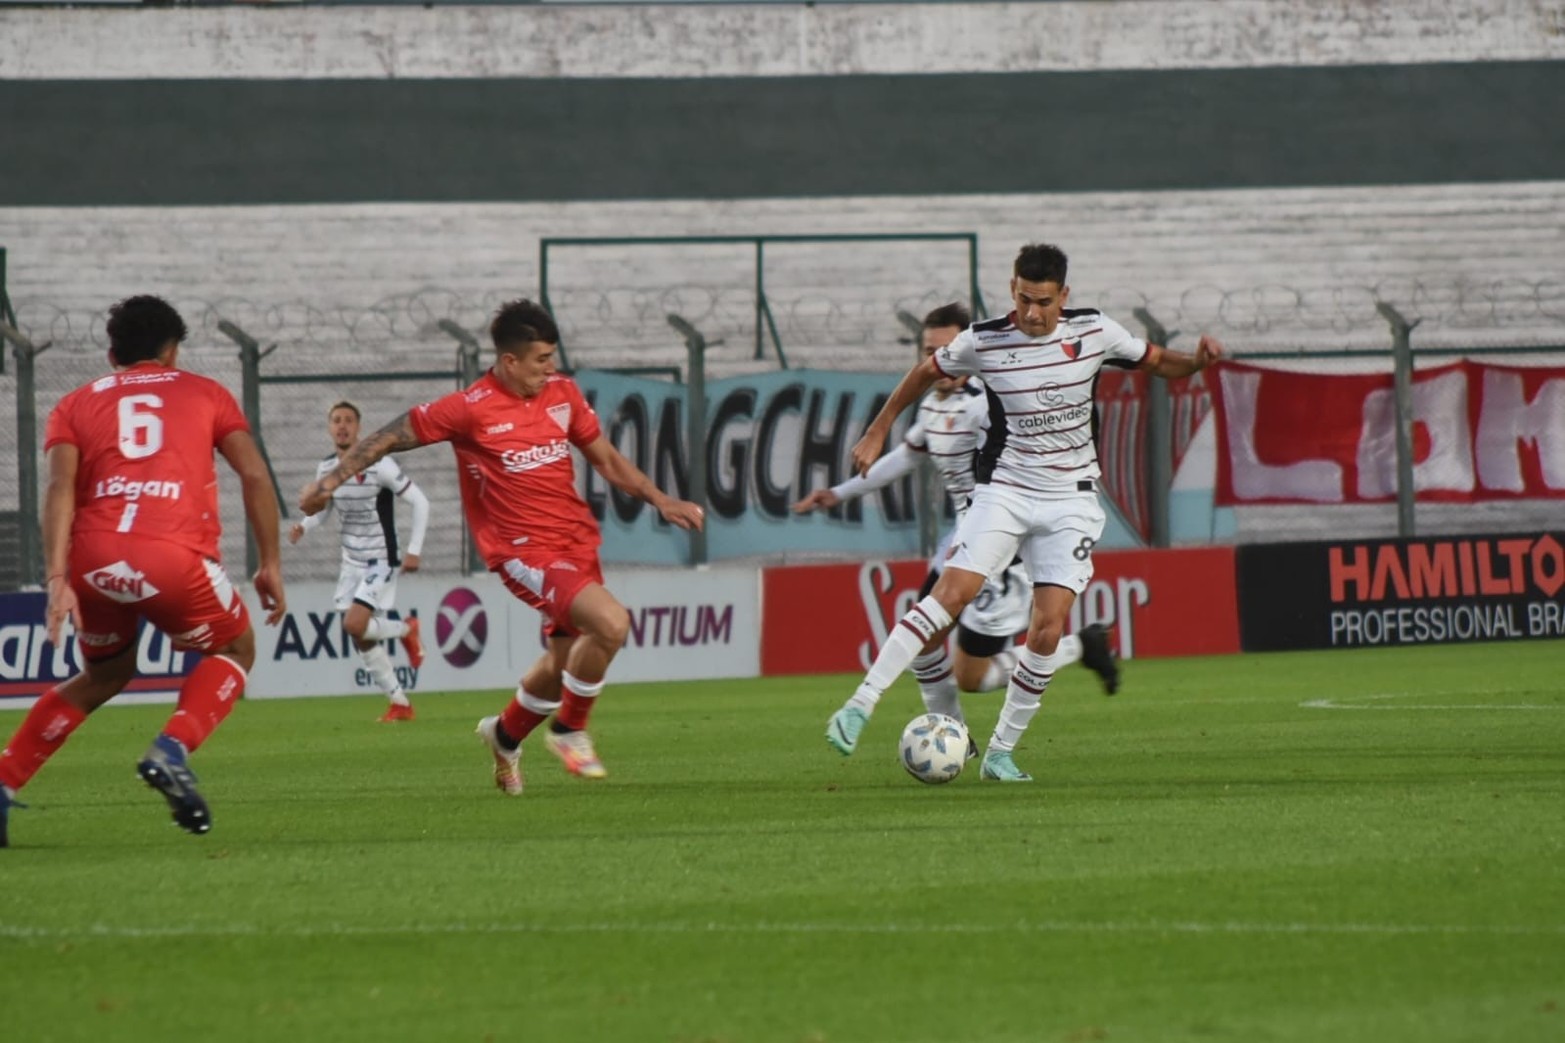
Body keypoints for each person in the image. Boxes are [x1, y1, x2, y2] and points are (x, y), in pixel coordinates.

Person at [824, 244, 1224, 782]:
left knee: (1047, 629)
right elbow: (923, 372)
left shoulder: (1093, 332)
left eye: (1042, 301)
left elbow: (1157, 362)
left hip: (1071, 500)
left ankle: (999, 754)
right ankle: (860, 703)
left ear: (1064, 296)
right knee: (949, 595)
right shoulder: (985, 340)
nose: (1031, 313)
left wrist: (1196, 361)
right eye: (1022, 298)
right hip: (1005, 491)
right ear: (1011, 288)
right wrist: (877, 429)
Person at [299, 298, 704, 796]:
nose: (550, 368)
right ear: (509, 361)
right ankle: (569, 730)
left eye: (552, 358)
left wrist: (660, 499)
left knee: (562, 664)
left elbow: (608, 461)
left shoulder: (563, 395)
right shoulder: (470, 409)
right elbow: (390, 435)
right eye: (540, 360)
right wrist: (331, 480)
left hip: (575, 542)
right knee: (612, 623)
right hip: (522, 551)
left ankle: (505, 735)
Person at [0, 295, 286, 847]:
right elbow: (253, 476)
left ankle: (5, 780)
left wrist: (56, 578)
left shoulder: (75, 404)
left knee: (106, 674)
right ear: (172, 350)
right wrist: (270, 562)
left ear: (112, 354)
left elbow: (59, 489)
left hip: (92, 556)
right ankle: (172, 750)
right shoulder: (206, 392)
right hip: (172, 554)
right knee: (235, 649)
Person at [793, 303, 1118, 730]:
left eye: (947, 349)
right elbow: (904, 458)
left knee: (970, 674)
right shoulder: (931, 407)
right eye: (930, 350)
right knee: (925, 645)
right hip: (961, 539)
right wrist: (836, 494)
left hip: (1004, 548)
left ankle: (1077, 648)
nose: (940, 361)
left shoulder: (993, 402)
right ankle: (955, 739)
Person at [290, 400, 430, 722]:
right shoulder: (325, 470)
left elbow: (420, 501)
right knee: (359, 634)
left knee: (354, 624)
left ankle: (406, 629)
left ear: (359, 428)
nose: (342, 426)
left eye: (348, 421)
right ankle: (400, 703)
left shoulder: (380, 465)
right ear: (329, 428)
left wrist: (414, 549)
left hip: (380, 558)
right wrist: (304, 525)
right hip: (350, 560)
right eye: (336, 420)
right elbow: (323, 511)